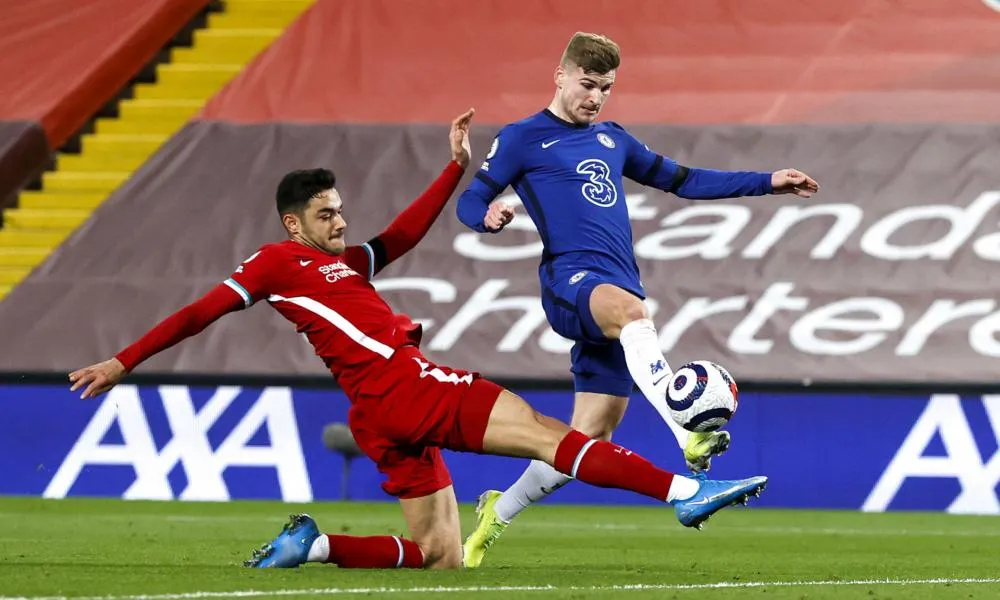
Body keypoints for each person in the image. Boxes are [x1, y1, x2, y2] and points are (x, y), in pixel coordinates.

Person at [69, 109, 768, 571]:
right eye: (325, 214)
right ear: (292, 224)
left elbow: (397, 237)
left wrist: (452, 170)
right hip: (403, 385)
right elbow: (200, 312)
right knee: (545, 432)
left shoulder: (340, 264)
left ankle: (315, 547)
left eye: (341, 210)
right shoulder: (277, 264)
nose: (340, 222)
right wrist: (123, 360)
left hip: (377, 412)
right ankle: (681, 489)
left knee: (441, 555)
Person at [456, 32, 818, 567]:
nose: (596, 98)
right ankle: (688, 438)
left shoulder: (612, 139)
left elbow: (685, 181)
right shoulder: (522, 138)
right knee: (633, 313)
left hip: (616, 288)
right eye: (587, 84)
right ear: (559, 75)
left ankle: (496, 511)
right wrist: (487, 218)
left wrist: (767, 181)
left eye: (605, 88)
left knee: (586, 439)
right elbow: (472, 198)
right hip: (570, 284)